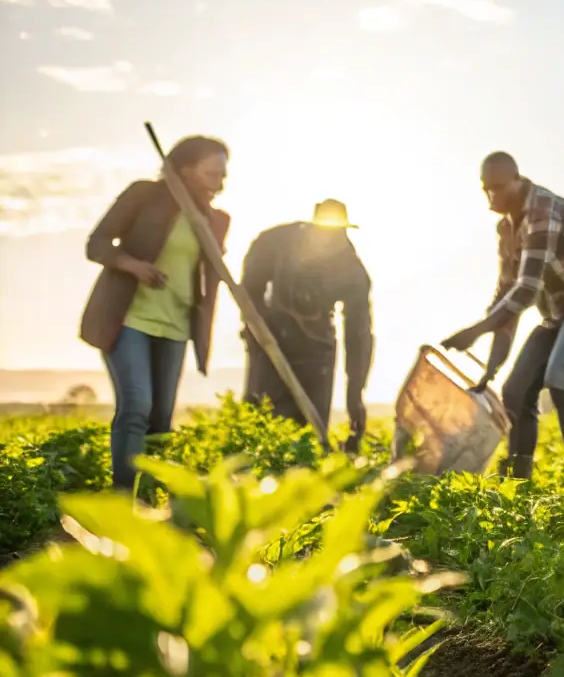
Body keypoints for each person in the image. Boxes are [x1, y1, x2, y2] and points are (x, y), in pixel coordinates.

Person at [441, 153, 564, 480]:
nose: (492, 196)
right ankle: (518, 479)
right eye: (486, 189)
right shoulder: (506, 229)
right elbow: (506, 298)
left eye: (498, 187)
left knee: (561, 375)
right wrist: (491, 368)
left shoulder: (543, 212)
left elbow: (526, 291)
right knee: (515, 390)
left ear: (517, 180)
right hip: (558, 316)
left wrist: (474, 331)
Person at [79, 136, 231, 491]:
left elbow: (210, 273)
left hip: (176, 325)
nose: (220, 184)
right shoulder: (144, 195)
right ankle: (123, 498)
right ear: (185, 170)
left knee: (161, 419)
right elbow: (96, 243)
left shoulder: (216, 219)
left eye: (223, 176)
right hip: (129, 317)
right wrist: (133, 265)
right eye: (211, 174)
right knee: (137, 406)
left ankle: (148, 500)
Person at [240, 199, 374, 452]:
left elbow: (358, 334)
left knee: (309, 435)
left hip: (318, 351)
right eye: (323, 231)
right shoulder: (276, 241)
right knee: (261, 424)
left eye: (336, 233)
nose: (329, 239)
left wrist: (355, 394)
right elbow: (249, 290)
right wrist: (256, 331)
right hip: (272, 342)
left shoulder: (352, 271)